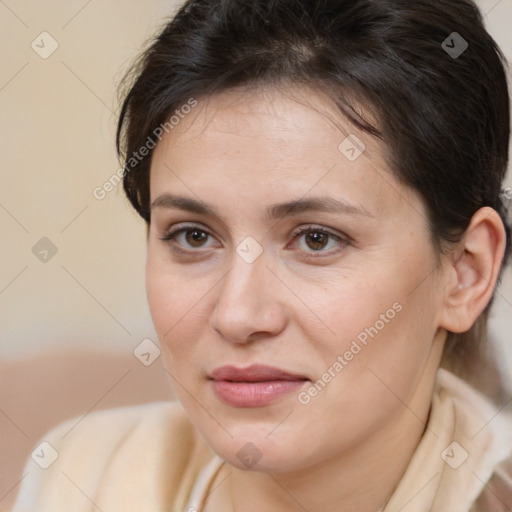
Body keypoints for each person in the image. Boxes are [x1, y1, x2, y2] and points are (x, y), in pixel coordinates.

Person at [12, 0, 512, 510]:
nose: (237, 316)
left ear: (466, 272)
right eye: (193, 236)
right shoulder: (80, 478)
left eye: (316, 238)